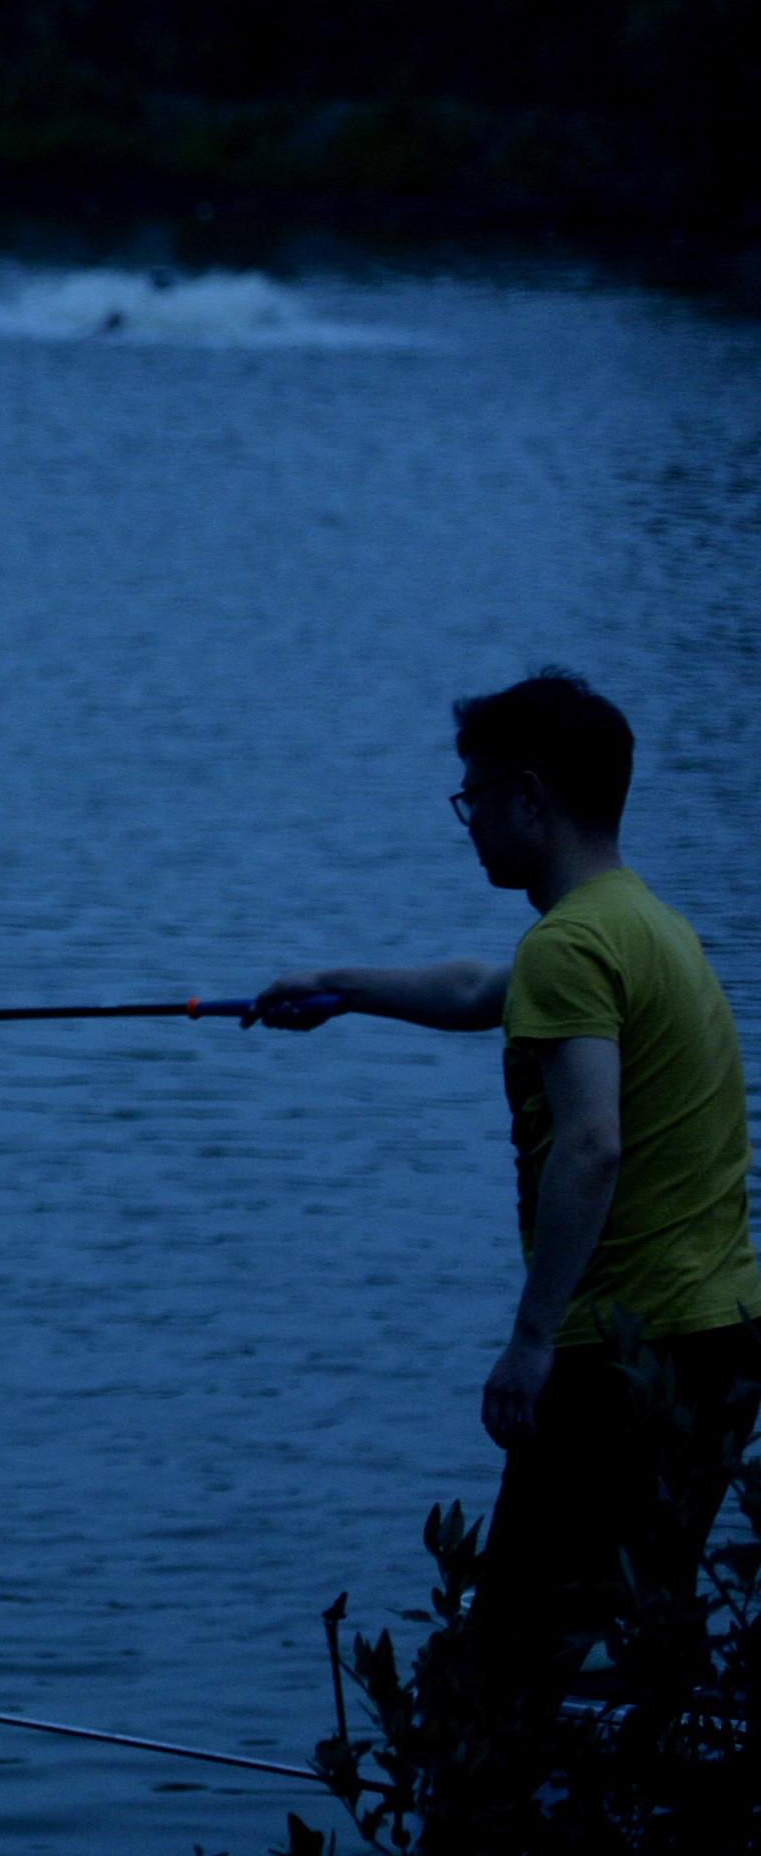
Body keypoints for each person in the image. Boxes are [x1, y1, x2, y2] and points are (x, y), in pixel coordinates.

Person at [255, 673, 759, 1680]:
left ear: (529, 794)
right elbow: (487, 988)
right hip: (717, 1337)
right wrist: (339, 987)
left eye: (473, 797)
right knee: (644, 1633)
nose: (468, 822)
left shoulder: (571, 946)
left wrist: (530, 1342)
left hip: (623, 1350)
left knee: (501, 1674)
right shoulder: (643, 923)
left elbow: (590, 1144)